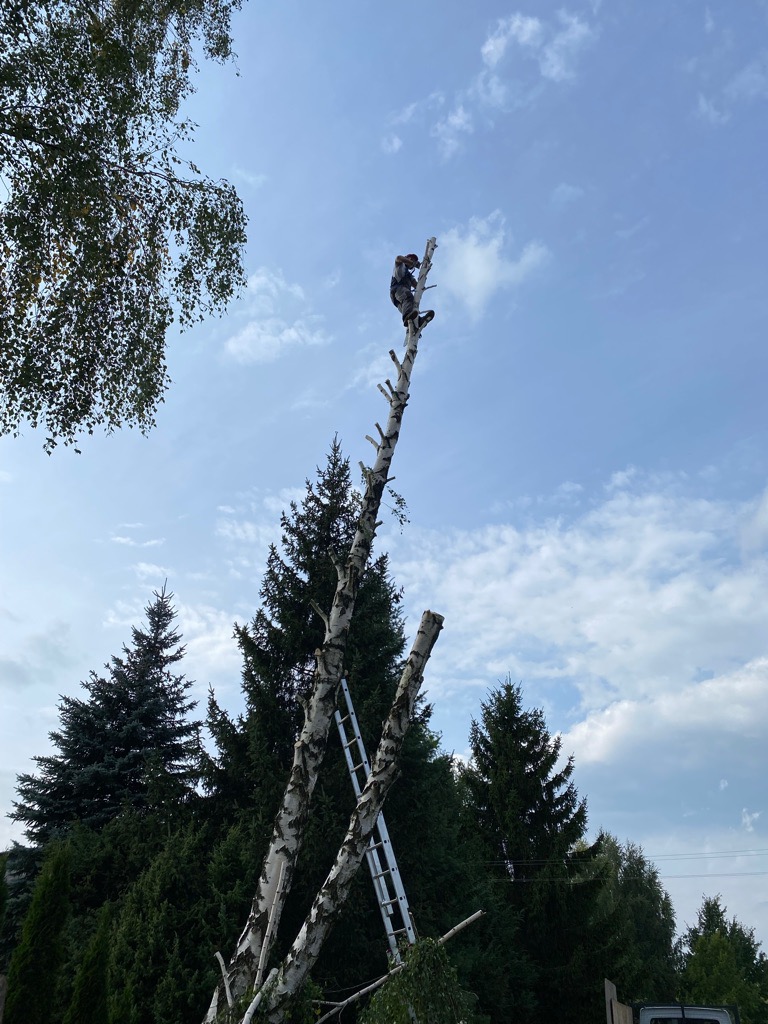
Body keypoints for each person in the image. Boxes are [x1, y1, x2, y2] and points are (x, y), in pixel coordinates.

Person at [390, 253, 434, 330]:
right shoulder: (400, 265)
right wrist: (412, 263)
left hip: (398, 298)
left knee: (410, 306)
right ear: (406, 258)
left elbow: (416, 285)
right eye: (410, 258)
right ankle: (406, 318)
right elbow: (398, 258)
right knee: (408, 296)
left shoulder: (409, 275)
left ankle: (417, 322)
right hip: (397, 289)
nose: (411, 261)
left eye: (413, 260)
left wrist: (423, 277)